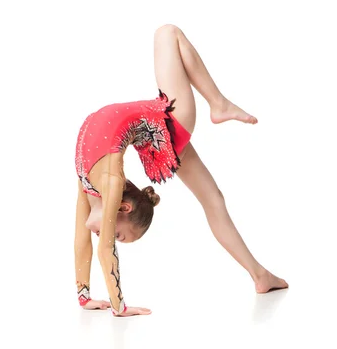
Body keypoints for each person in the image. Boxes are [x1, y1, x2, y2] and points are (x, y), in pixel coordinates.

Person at [74, 24, 288, 317]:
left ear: (122, 208)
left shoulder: (100, 184)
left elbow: (99, 248)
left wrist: (109, 304)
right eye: (119, 236)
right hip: (161, 137)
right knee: (214, 201)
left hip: (169, 123)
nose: (109, 237)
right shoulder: (97, 183)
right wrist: (91, 299)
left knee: (167, 32)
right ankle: (260, 276)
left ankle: (219, 103)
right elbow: (83, 242)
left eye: (121, 237)